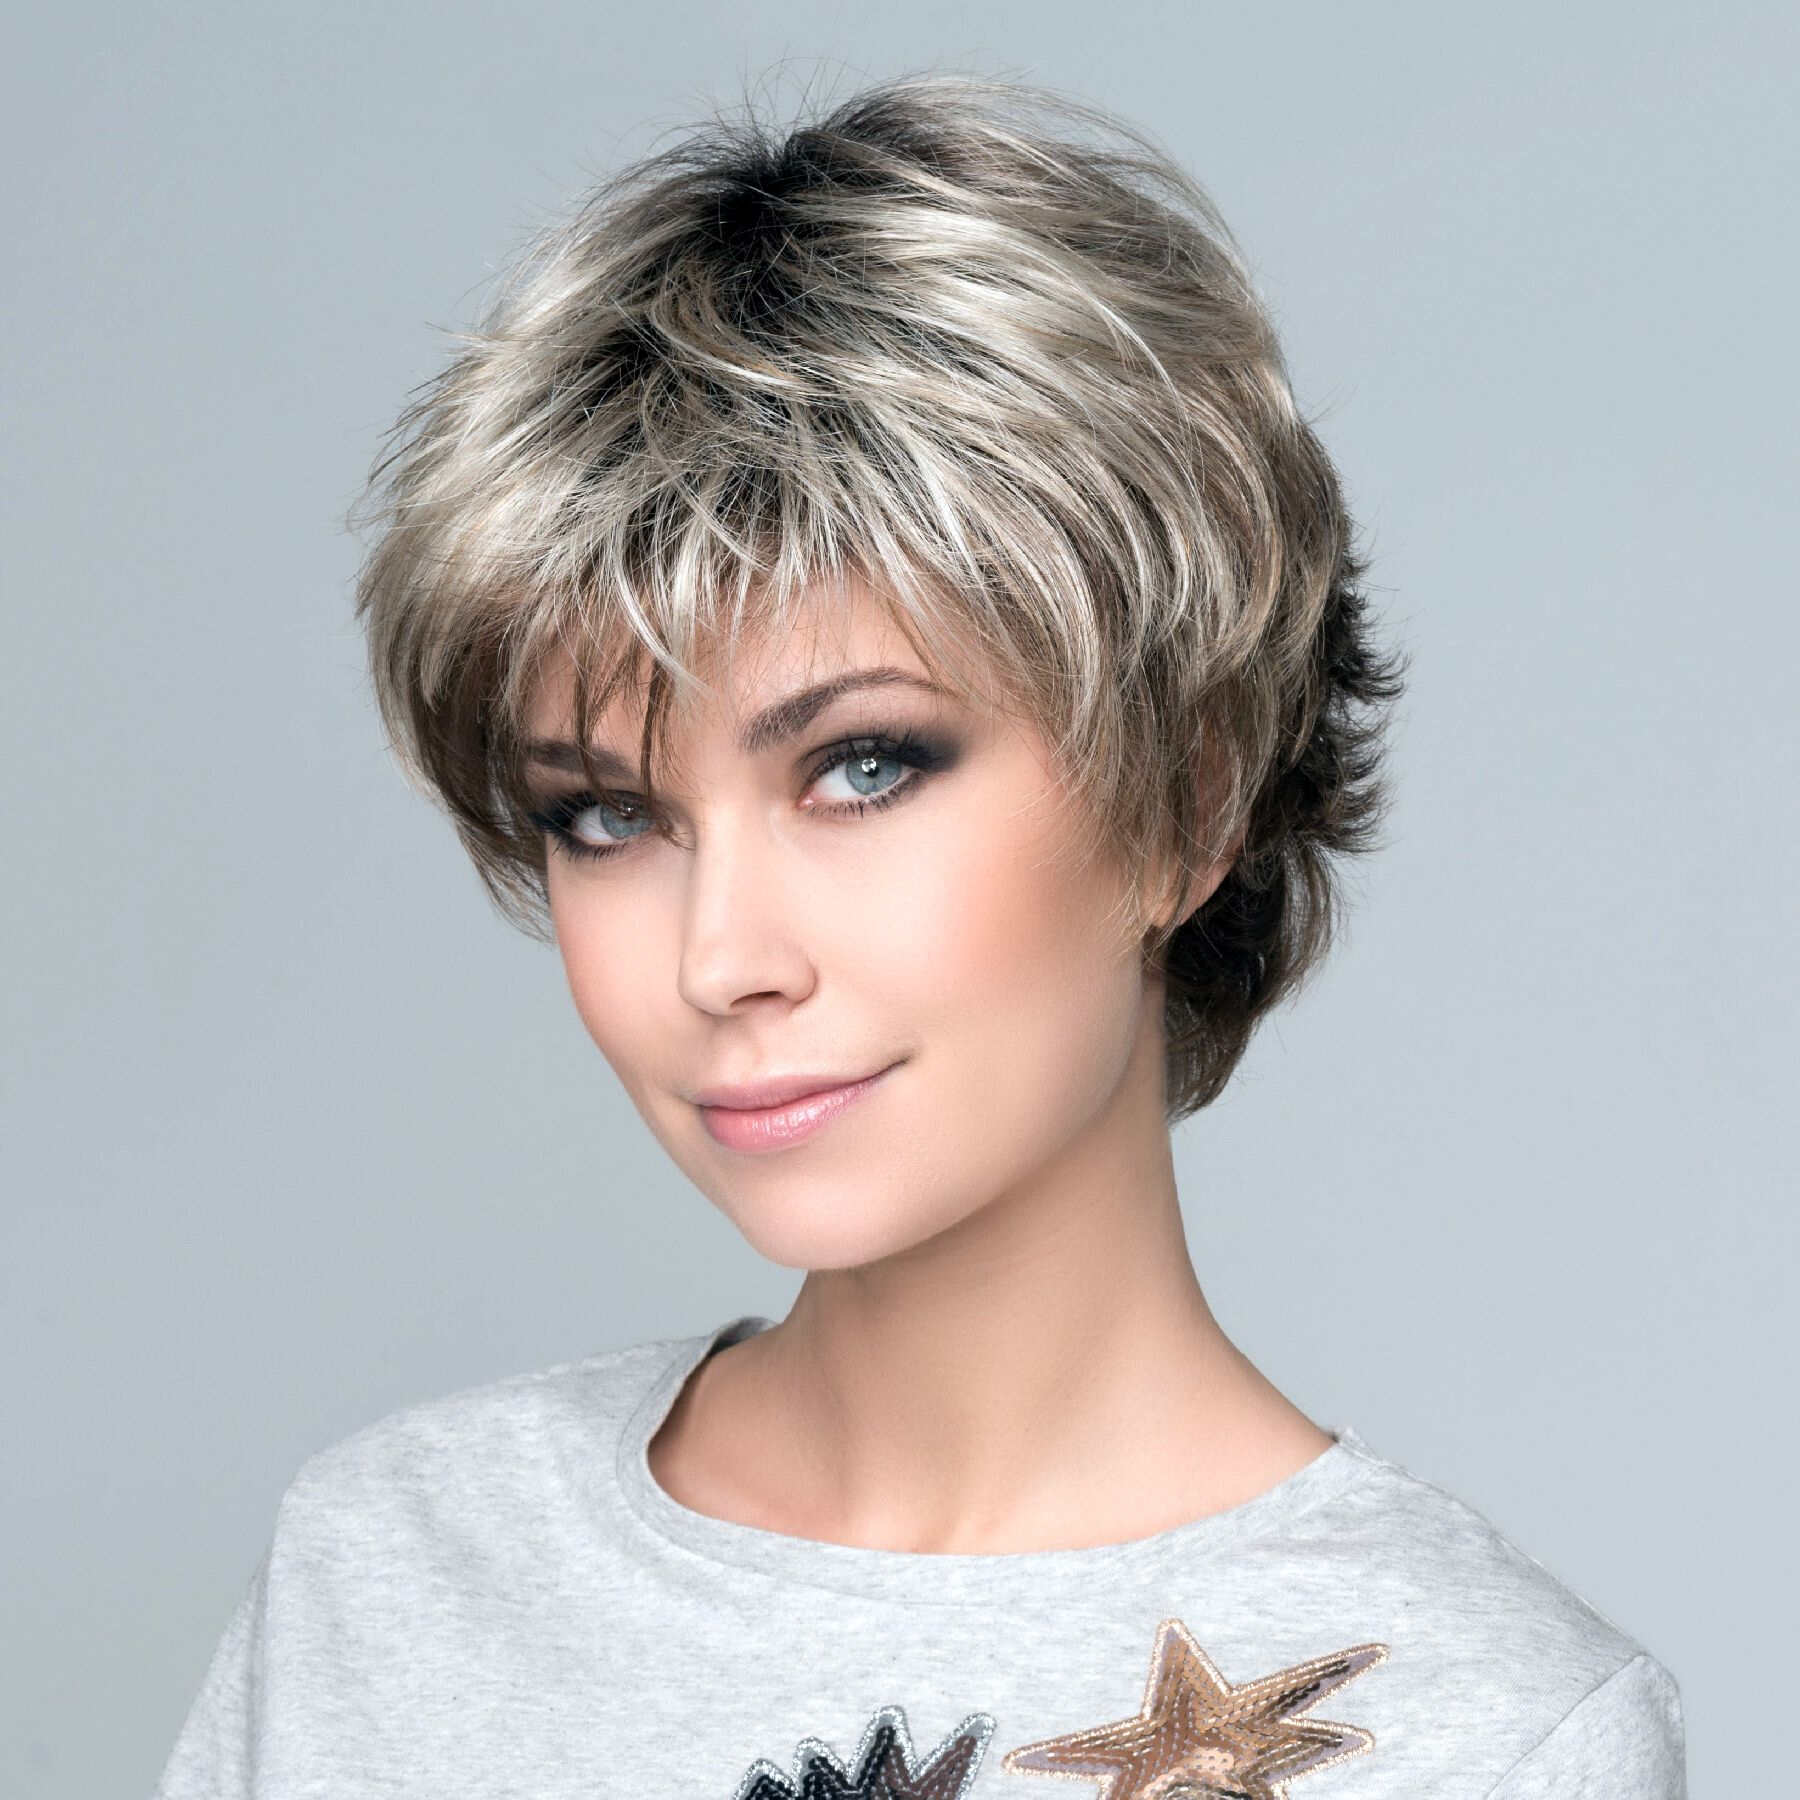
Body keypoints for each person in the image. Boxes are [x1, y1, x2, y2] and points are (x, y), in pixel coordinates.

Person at [153, 72, 1686, 1800]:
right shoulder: (393, 1576)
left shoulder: (1491, 1732)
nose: (720, 959)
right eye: (609, 816)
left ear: (1187, 797)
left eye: (864, 767)